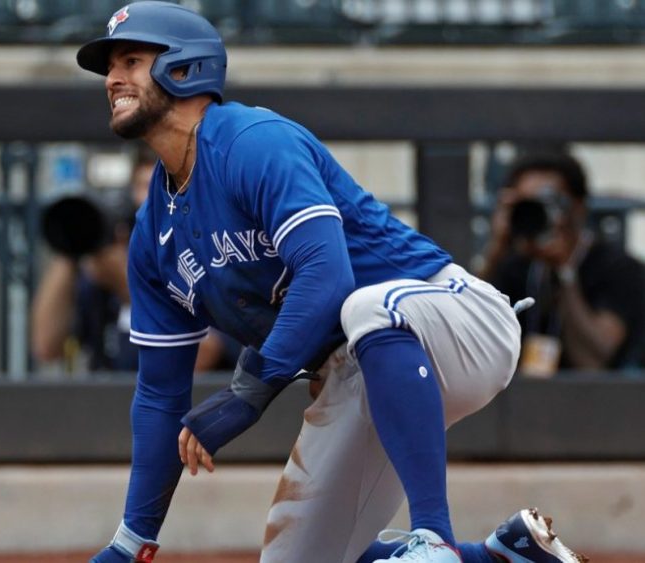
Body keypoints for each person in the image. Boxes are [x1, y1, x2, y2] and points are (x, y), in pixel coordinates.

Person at [78, 3, 585, 563]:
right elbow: (158, 393)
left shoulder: (251, 142)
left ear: (184, 67)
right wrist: (131, 539)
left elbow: (326, 275)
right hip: (359, 372)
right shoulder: (153, 235)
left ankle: (433, 537)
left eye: (130, 60)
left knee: (365, 306)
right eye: (109, 67)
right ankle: (500, 555)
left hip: (454, 321)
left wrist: (250, 390)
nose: (112, 79)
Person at [32, 151, 241, 373]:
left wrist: (129, 284)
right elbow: (46, 347)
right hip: (108, 402)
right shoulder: (106, 264)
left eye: (165, 187)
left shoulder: (216, 256)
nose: (150, 201)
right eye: (143, 187)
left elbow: (204, 355)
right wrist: (71, 246)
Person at [479, 152, 645, 376]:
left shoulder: (616, 266)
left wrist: (564, 270)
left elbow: (594, 360)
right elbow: (465, 329)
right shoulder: (515, 263)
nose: (537, 213)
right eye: (528, 204)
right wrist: (496, 247)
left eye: (548, 202)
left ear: (578, 207)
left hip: (597, 401)